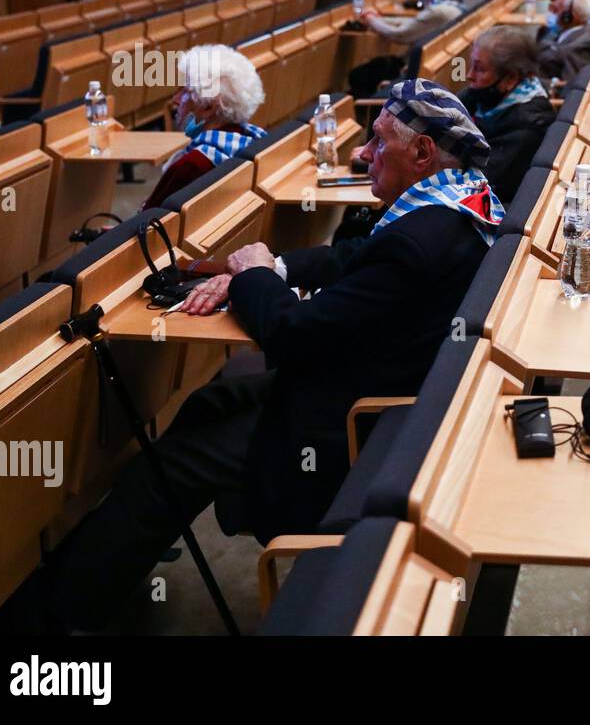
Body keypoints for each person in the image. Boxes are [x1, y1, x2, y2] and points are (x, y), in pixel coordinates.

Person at [45, 80, 501, 631]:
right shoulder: (458, 201)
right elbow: (355, 260)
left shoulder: (419, 239)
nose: (362, 153)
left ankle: (64, 613)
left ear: (422, 152)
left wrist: (253, 277)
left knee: (171, 464)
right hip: (376, 385)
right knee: (207, 404)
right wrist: (272, 268)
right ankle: (114, 570)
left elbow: (291, 335)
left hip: (348, 425)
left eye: (379, 142)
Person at [143, 45, 265, 210]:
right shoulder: (257, 141)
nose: (175, 100)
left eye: (184, 92)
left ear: (208, 108)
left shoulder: (193, 166)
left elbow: (149, 225)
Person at [347, 0, 465, 98]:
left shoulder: (438, 11)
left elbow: (399, 34)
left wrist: (370, 19)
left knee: (358, 75)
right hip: (433, 66)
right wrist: (379, 18)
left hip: (412, 70)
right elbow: (412, 22)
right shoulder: (454, 7)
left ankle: (368, 113)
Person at [465, 25, 556, 201]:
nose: (469, 75)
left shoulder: (526, 129)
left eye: (480, 69)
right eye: (471, 66)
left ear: (511, 79)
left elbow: (480, 186)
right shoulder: (482, 97)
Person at [537, 0, 590, 85]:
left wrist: (537, 83)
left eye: (557, 9)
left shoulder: (581, 46)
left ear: (568, 17)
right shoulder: (568, 30)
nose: (552, 13)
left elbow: (571, 88)